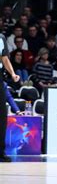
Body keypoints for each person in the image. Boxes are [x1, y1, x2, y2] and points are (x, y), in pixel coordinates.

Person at [0, 34, 21, 162]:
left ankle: (0, 151)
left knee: (2, 115)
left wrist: (12, 73)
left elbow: (4, 58)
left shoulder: (1, 38)